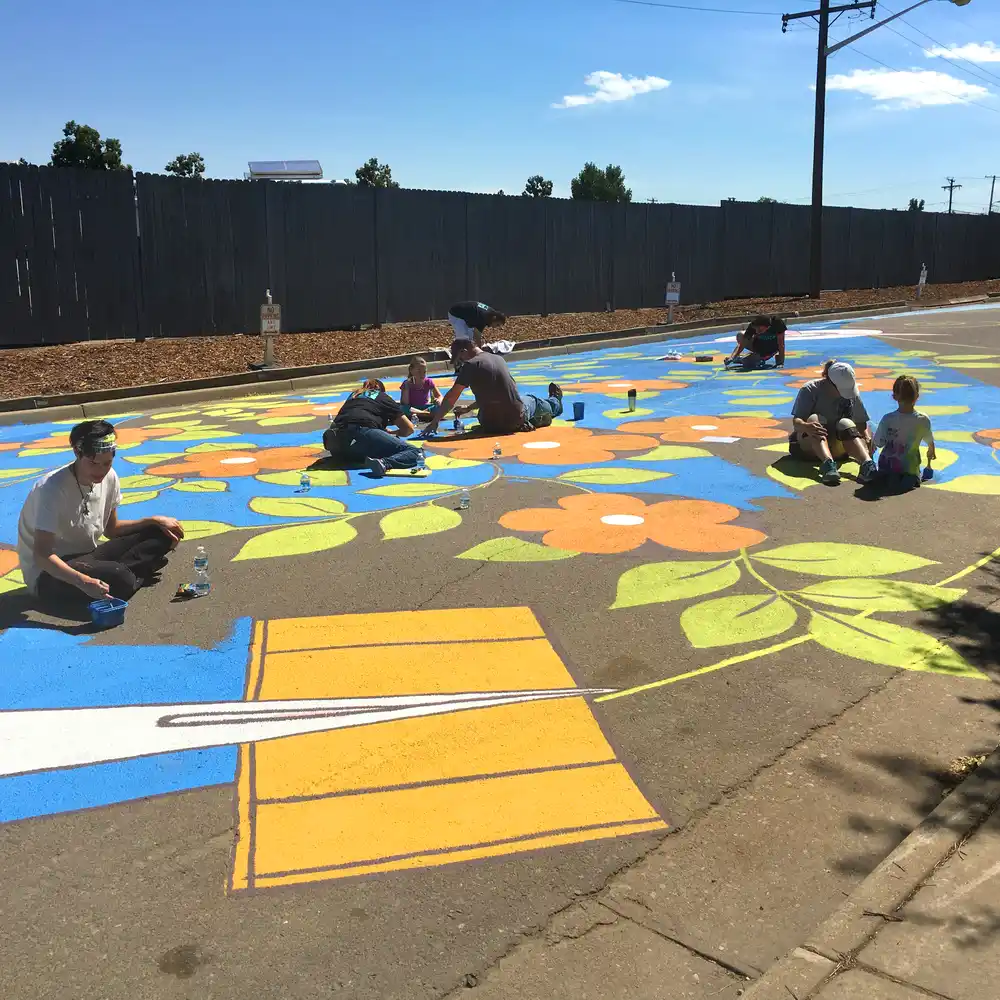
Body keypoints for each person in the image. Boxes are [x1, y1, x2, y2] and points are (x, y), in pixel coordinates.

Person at [16, 420, 183, 610]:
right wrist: (83, 582)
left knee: (161, 533)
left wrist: (152, 521)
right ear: (77, 453)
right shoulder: (51, 488)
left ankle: (128, 573)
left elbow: (112, 529)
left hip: (88, 556)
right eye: (93, 463)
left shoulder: (110, 476)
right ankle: (132, 573)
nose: (100, 471)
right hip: (49, 573)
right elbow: (42, 555)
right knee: (120, 577)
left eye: (106, 463)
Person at [425, 339, 563, 436]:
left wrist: (435, 421)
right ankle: (555, 402)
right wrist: (468, 409)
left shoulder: (470, 365)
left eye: (459, 359)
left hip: (488, 424)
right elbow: (507, 395)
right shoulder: (498, 359)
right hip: (515, 419)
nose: (460, 363)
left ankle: (533, 420)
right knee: (532, 400)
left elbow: (452, 397)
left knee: (492, 406)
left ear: (464, 351)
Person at [789, 360, 878, 486]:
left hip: (839, 446)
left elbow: (861, 422)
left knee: (845, 423)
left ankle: (867, 464)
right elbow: (797, 422)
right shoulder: (810, 390)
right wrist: (806, 426)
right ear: (829, 381)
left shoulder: (852, 392)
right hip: (810, 445)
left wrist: (867, 438)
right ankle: (827, 464)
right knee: (815, 419)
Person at [323, 378, 419, 478]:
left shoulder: (353, 396)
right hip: (361, 433)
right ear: (379, 388)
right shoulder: (382, 396)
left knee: (365, 444)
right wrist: (393, 433)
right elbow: (409, 429)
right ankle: (384, 463)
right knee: (415, 452)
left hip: (336, 443)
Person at [872, 375, 936, 490]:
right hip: (910, 468)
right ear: (917, 396)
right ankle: (910, 479)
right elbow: (930, 442)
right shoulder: (923, 419)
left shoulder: (888, 419)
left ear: (894, 396)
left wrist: (870, 444)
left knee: (889, 478)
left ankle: (890, 478)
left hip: (888, 466)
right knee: (910, 477)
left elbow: (878, 442)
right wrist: (931, 451)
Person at [399, 356, 443, 423]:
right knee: (403, 409)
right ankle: (426, 415)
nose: (422, 375)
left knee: (442, 406)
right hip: (413, 408)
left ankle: (423, 414)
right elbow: (405, 404)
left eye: (424, 372)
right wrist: (407, 388)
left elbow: (440, 396)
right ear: (411, 370)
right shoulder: (406, 384)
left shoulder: (428, 381)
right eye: (419, 371)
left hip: (426, 407)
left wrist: (438, 400)